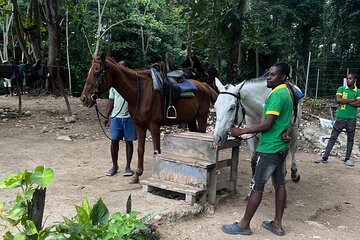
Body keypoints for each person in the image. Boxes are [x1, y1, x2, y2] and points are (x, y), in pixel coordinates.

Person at [221, 62, 293, 236]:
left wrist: (242, 130)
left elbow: (267, 124)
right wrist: (286, 132)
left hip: (269, 148)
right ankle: (277, 225)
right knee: (279, 184)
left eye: (272, 75)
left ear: (282, 78)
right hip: (281, 147)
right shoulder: (284, 93)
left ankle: (244, 225)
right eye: (267, 74)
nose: (268, 77)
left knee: (256, 186)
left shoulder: (277, 95)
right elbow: (287, 120)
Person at [315, 73, 360, 166]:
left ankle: (347, 158)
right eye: (347, 78)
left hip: (352, 118)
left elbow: (358, 104)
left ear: (355, 80)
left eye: (350, 79)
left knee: (350, 139)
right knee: (333, 137)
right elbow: (338, 100)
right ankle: (325, 157)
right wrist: (352, 100)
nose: (348, 80)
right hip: (340, 117)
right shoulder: (341, 89)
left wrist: (345, 100)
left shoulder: (358, 91)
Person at [104, 60, 137, 177]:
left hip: (129, 117)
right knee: (114, 142)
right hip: (116, 117)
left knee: (129, 142)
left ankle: (128, 167)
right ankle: (114, 166)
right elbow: (111, 101)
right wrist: (107, 116)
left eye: (122, 68)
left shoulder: (132, 84)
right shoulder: (113, 86)